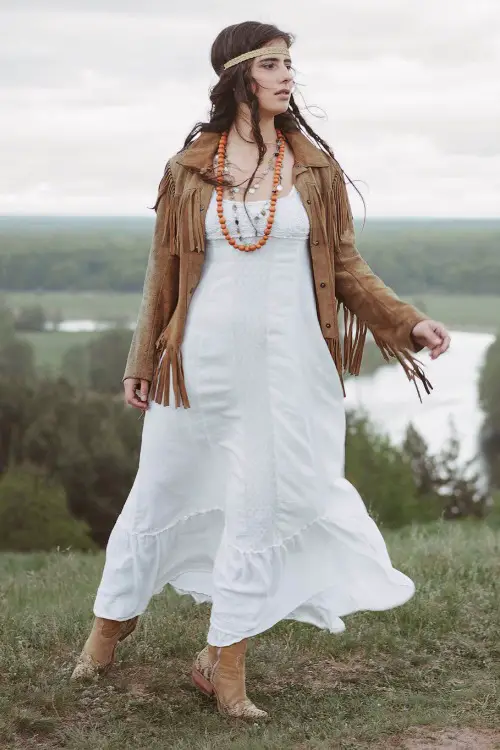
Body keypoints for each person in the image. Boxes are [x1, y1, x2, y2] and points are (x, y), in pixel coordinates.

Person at [71, 21, 451, 720]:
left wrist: (407, 322)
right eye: (274, 64)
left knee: (258, 508)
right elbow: (163, 272)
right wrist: (141, 360)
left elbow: (345, 266)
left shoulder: (312, 168)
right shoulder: (189, 168)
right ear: (240, 76)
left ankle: (226, 668)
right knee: (157, 491)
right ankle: (106, 631)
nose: (287, 77)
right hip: (198, 367)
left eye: (289, 65)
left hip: (289, 372)